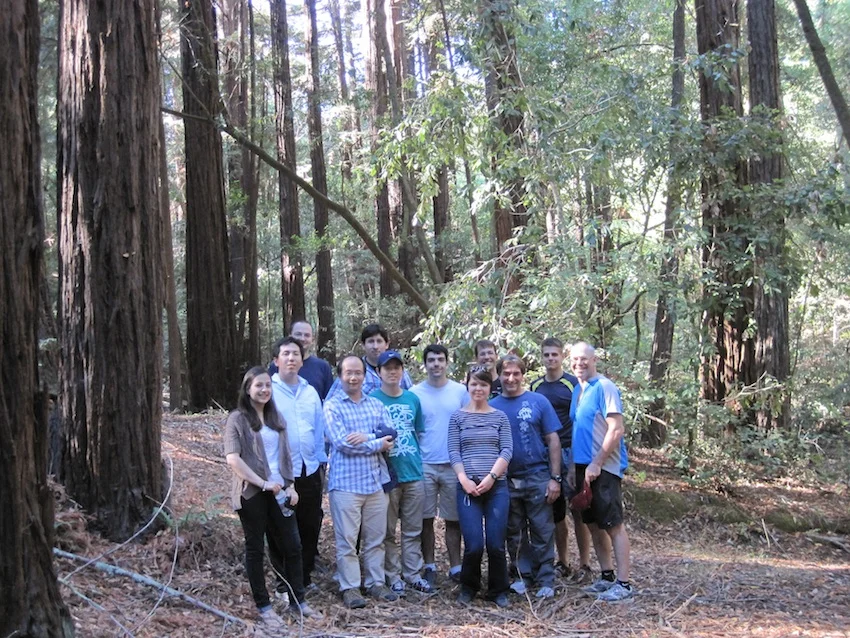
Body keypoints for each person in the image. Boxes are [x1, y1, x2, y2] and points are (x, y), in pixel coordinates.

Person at [224, 367, 322, 632]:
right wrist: (263, 483)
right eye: (259, 385)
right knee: (256, 549)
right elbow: (233, 459)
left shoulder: (275, 417)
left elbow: (285, 456)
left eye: (268, 385)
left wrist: (290, 486)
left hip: (280, 492)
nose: (265, 390)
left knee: (293, 546)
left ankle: (297, 600)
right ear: (248, 389)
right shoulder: (237, 419)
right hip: (252, 493)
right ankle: (264, 606)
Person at [324, 354, 400, 609]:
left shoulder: (376, 404)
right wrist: (378, 442)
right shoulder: (333, 406)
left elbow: (391, 434)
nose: (354, 377)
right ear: (341, 375)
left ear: (365, 376)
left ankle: (376, 583)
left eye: (358, 372)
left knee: (375, 538)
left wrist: (368, 437)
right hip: (345, 484)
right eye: (348, 373)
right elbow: (343, 443)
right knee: (347, 540)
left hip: (375, 483)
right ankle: (350, 588)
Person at [490, 354, 562, 599]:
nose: (511, 378)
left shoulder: (538, 401)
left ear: (523, 375)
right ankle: (523, 576)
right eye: (506, 374)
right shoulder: (492, 406)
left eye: (516, 373)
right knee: (515, 531)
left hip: (538, 475)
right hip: (506, 480)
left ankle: (546, 579)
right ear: (499, 376)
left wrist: (555, 478)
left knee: (542, 529)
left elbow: (553, 440)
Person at [569, 342, 634, 601]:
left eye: (584, 359)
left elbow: (616, 429)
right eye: (574, 359)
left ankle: (624, 583)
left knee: (613, 525)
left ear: (594, 359)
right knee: (594, 524)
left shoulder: (605, 387)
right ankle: (606, 576)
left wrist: (597, 462)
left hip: (604, 467)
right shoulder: (578, 390)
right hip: (582, 466)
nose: (579, 364)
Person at [449, 366, 513, 608]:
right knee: (474, 544)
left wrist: (492, 477)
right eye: (474, 384)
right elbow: (454, 451)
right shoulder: (458, 417)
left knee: (496, 543)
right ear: (467, 385)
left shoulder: (499, 417)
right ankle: (469, 586)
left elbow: (506, 449)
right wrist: (464, 479)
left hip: (496, 487)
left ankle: (498, 590)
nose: (478, 388)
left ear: (490, 388)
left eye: (483, 384)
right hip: (467, 487)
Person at [529, 337, 593, 582]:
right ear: (542, 357)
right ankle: (562, 561)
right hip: (545, 454)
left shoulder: (572, 384)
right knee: (555, 512)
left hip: (571, 450)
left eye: (555, 355)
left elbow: (580, 419)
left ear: (561, 357)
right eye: (546, 355)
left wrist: (578, 457)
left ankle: (585, 563)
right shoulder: (535, 386)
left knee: (578, 509)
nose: (550, 359)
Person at [370, 350, 432, 594]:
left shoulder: (412, 399)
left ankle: (412, 573)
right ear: (379, 372)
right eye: (387, 368)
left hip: (414, 472)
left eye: (397, 367)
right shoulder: (372, 401)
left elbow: (417, 433)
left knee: (413, 529)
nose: (393, 372)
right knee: (387, 531)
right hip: (386, 475)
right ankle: (392, 575)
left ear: (402, 371)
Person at [271, 337, 327, 588]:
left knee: (310, 523)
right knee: (280, 527)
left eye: (296, 354)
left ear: (302, 361)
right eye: (286, 354)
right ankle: (284, 580)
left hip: (310, 469)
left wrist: (320, 461)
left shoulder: (310, 391)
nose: (291, 358)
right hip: (279, 471)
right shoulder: (267, 391)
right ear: (276, 361)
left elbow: (317, 429)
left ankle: (303, 577)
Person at [410, 344, 469, 586]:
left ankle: (456, 567)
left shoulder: (460, 391)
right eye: (431, 360)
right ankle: (429, 565)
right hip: (424, 463)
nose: (436, 364)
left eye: (440, 359)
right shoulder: (415, 392)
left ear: (447, 363)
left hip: (453, 464)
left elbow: (468, 421)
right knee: (425, 519)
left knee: (453, 519)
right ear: (425, 364)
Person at [327, 324, 412, 400]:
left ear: (387, 344)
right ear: (363, 345)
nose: (375, 346)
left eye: (379, 341)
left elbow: (411, 398)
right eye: (371, 341)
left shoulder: (400, 372)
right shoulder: (352, 370)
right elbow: (331, 400)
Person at [268, 319, 334, 401]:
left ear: (312, 339)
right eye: (298, 334)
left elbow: (330, 400)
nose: (302, 339)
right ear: (290, 336)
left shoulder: (323, 367)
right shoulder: (277, 365)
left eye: (307, 335)